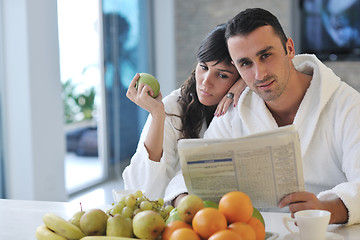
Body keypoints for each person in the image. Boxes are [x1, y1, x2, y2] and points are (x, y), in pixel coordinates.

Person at [197, 8, 360, 225]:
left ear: (289, 48)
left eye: (266, 55)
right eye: (246, 63)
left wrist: (325, 209)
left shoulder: (348, 106)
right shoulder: (233, 112)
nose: (260, 74)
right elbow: (196, 174)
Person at [122, 23, 245, 202]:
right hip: (174, 217)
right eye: (203, 67)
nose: (205, 82)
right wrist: (157, 115)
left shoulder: (246, 106)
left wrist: (246, 84)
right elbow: (143, 192)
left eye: (222, 75)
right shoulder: (173, 107)